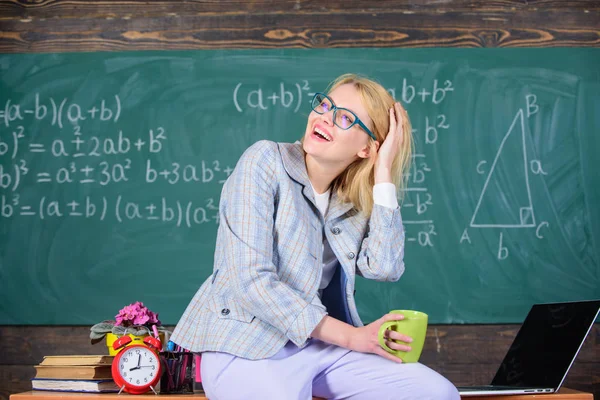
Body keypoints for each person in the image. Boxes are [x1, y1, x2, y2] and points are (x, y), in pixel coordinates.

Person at [170, 73, 459, 400]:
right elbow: (251, 282)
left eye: (345, 118)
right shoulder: (264, 161)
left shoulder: (349, 202)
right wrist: (352, 337)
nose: (325, 117)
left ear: (367, 148)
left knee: (436, 393)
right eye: (326, 104)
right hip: (244, 344)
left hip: (314, 346)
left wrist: (384, 175)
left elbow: (384, 267)